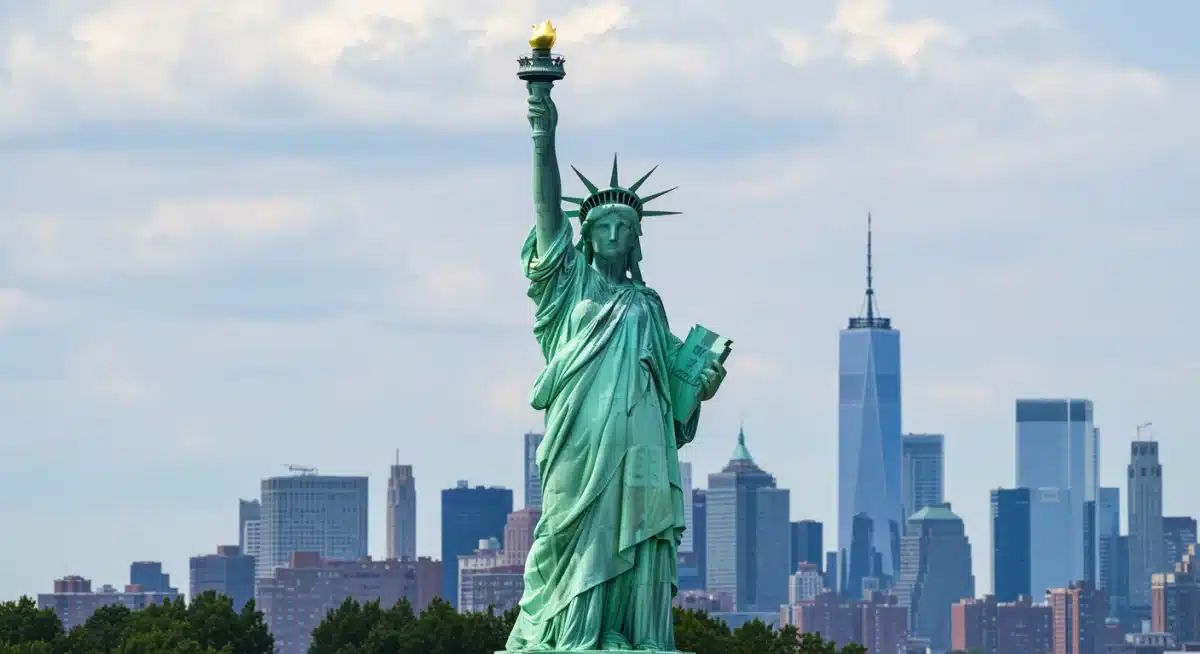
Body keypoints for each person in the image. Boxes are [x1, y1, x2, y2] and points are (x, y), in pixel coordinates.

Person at [503, 84, 726, 652]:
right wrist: (541, 128)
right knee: (574, 532)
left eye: (624, 228)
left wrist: (702, 382)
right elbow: (545, 208)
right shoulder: (568, 283)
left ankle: (633, 632)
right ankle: (577, 631)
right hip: (581, 441)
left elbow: (675, 394)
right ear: (586, 232)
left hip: (645, 442)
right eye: (602, 225)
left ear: (636, 242)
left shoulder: (647, 305)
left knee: (641, 539)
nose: (613, 235)